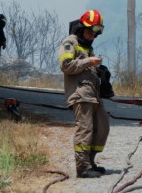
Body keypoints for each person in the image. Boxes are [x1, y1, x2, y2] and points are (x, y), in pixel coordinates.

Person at [58, 9, 110, 178]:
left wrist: (101, 71)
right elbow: (66, 65)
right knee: (85, 129)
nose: (92, 36)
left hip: (93, 95)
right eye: (89, 32)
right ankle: (82, 167)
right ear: (81, 28)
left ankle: (90, 161)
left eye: (95, 34)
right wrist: (89, 61)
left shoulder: (88, 47)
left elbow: (88, 69)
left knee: (102, 128)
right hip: (80, 94)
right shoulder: (69, 42)